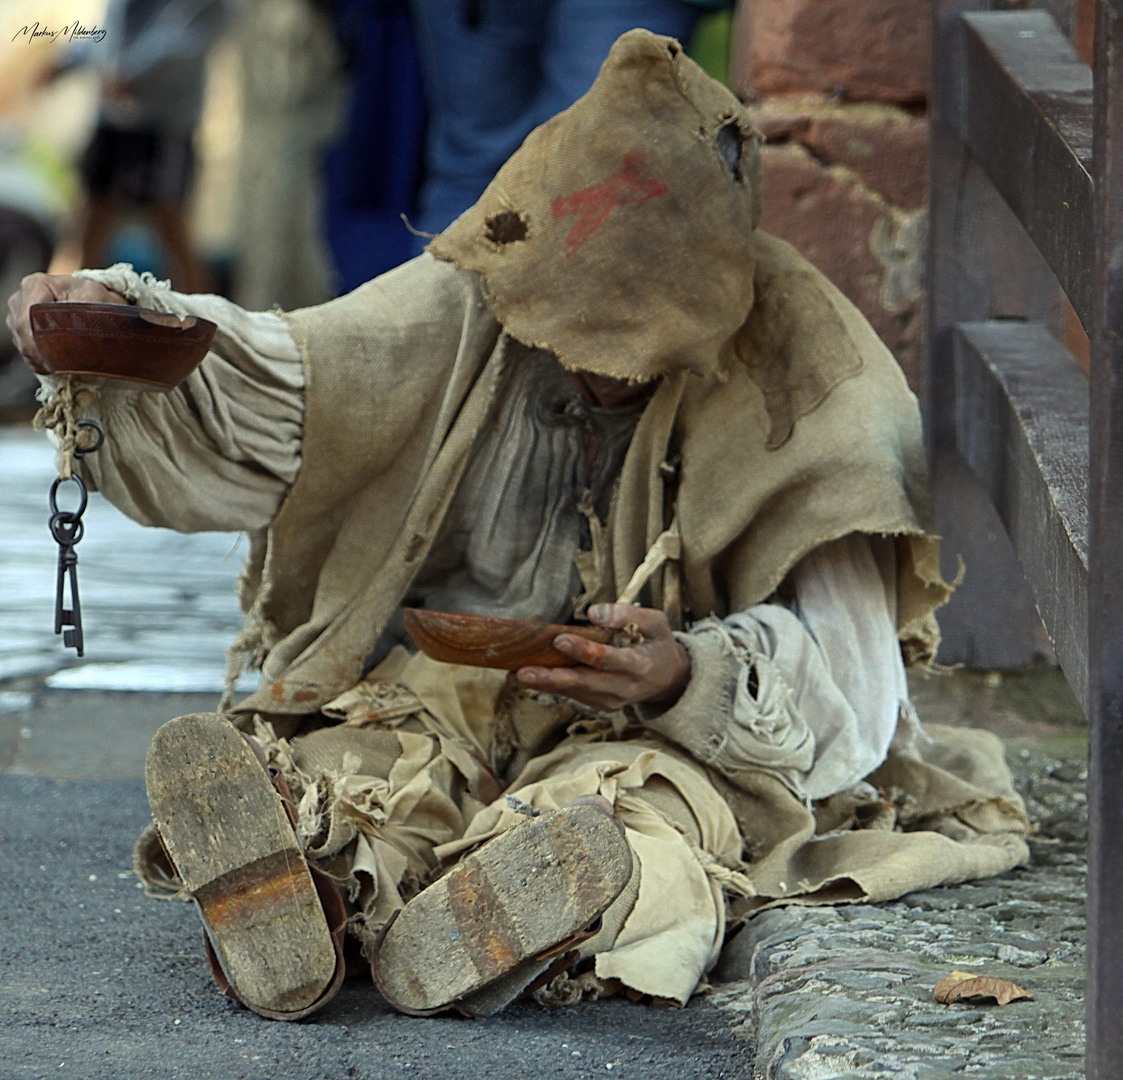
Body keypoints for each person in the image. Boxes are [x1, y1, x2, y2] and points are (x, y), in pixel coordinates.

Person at [7, 31, 1030, 1021]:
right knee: (356, 771)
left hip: (667, 740)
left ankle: (539, 898)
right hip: (442, 698)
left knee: (642, 820)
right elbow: (290, 374)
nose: (601, 367)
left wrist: (686, 676)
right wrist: (125, 325)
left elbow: (856, 683)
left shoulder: (818, 385)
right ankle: (318, 886)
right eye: (573, 332)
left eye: (634, 348)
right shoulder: (475, 290)